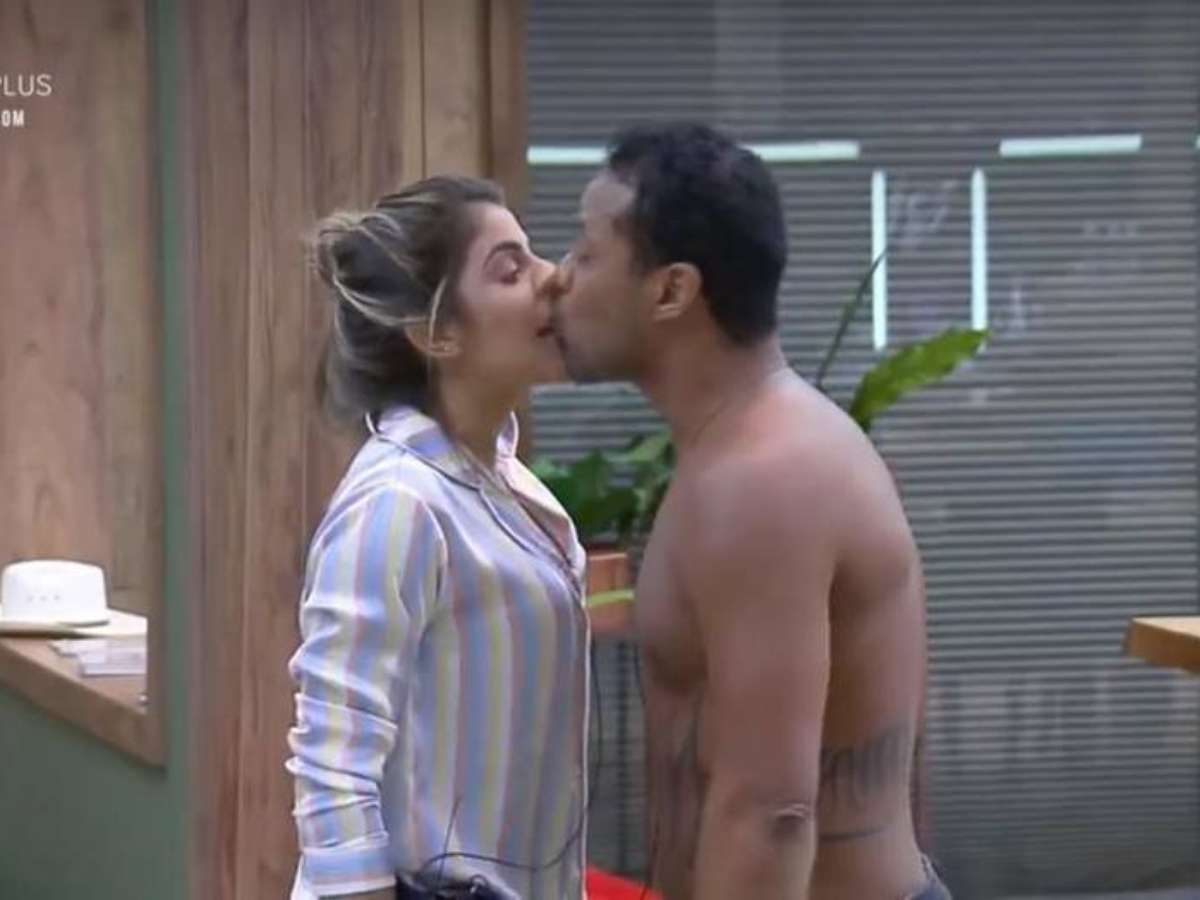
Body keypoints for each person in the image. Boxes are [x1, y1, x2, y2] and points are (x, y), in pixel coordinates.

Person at [548, 123, 949, 900]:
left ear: (671, 290)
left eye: (587, 253)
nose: (560, 278)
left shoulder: (765, 477)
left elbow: (770, 812)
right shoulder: (746, 452)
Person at [287, 176, 590, 900]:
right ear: (435, 333)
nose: (552, 278)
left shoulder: (505, 479)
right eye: (510, 269)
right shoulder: (397, 500)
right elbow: (334, 765)